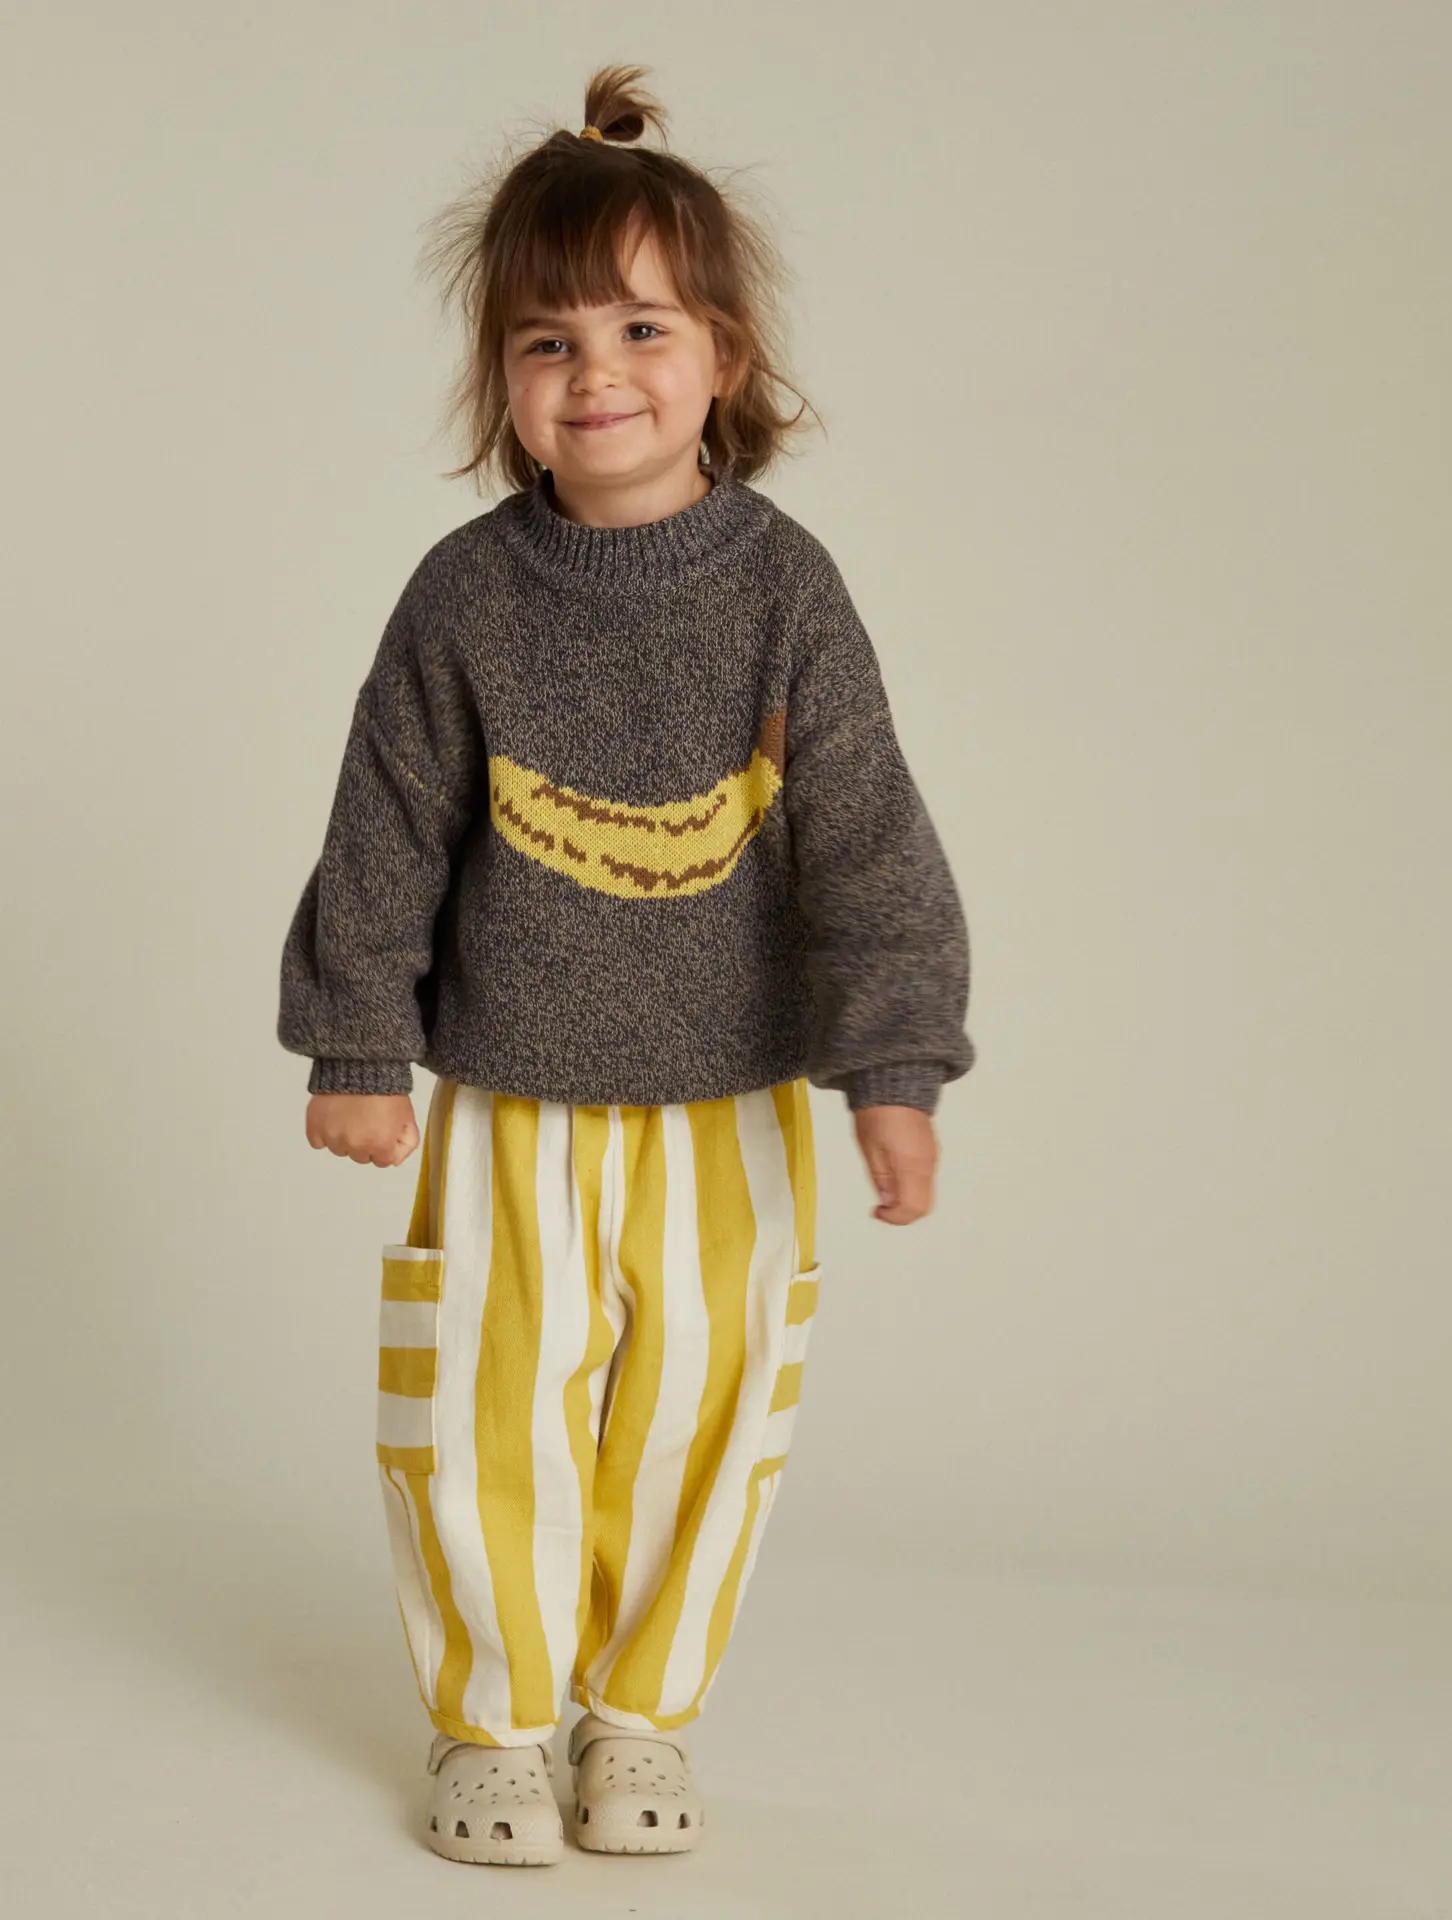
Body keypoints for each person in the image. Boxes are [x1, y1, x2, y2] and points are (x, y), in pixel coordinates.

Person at [276, 61, 976, 1867]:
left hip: (729, 1106)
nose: (598, 375)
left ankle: (639, 1712)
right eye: (548, 342)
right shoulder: (464, 594)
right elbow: (387, 822)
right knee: (484, 1416)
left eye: (643, 330)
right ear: (501, 382)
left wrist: (894, 1070)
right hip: (510, 1102)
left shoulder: (787, 591)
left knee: (700, 1420)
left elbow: (866, 837)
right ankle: (494, 1726)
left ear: (724, 359)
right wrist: (357, 1040)